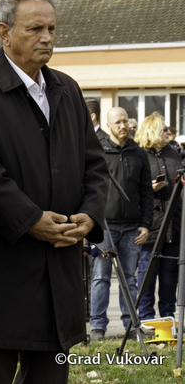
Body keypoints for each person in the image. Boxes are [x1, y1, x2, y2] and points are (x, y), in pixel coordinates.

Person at [0, 0, 108, 383]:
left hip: (59, 268)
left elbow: (94, 165)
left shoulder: (67, 90)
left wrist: (90, 215)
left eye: (52, 29)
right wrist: (30, 220)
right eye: (35, 29)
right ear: (4, 33)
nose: (47, 38)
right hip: (0, 274)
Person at [89, 106, 153, 340]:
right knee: (101, 277)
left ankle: (131, 326)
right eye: (117, 122)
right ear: (108, 126)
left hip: (132, 227)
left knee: (130, 278)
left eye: (125, 121)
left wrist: (146, 224)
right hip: (104, 226)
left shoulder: (139, 153)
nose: (123, 125)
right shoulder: (97, 151)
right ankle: (97, 327)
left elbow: (146, 192)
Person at [136, 114, 184, 320]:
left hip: (174, 224)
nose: (168, 132)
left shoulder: (174, 153)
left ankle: (168, 316)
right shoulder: (139, 155)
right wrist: (149, 187)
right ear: (154, 131)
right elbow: (131, 188)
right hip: (151, 224)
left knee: (169, 275)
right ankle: (146, 318)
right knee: (147, 273)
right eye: (164, 129)